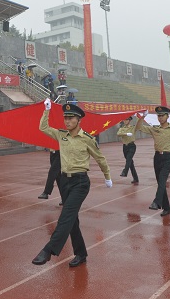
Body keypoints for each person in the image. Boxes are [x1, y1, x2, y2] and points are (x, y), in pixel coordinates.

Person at [32, 100, 112, 268]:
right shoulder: (61, 135)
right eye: (65, 118)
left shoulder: (87, 139)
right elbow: (43, 128)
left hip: (80, 183)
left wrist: (107, 176)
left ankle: (48, 250)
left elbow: (100, 158)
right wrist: (46, 110)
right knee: (72, 220)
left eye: (71, 119)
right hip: (64, 181)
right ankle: (81, 253)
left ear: (79, 120)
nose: (67, 121)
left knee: (66, 216)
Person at [117, 116, 139, 183]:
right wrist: (126, 134)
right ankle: (136, 178)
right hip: (125, 147)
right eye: (124, 119)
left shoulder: (133, 127)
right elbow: (118, 134)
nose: (125, 121)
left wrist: (138, 116)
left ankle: (125, 172)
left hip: (131, 146)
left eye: (126, 120)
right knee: (130, 163)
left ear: (129, 120)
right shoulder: (122, 128)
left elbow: (139, 124)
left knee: (129, 159)